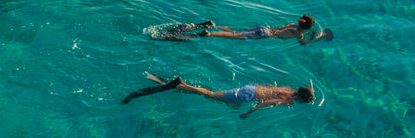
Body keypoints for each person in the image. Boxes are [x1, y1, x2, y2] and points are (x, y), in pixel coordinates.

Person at [123, 74, 315, 119]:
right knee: (210, 95)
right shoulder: (288, 100)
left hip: (250, 89)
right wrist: (249, 111)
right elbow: (268, 103)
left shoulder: (289, 89)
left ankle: (178, 86)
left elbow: (268, 90)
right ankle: (179, 84)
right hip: (247, 96)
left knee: (216, 97)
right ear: (300, 98)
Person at [198, 14, 317, 44]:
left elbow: (280, 28)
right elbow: (303, 43)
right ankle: (209, 34)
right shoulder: (298, 34)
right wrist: (313, 38)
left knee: (235, 32)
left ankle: (213, 26)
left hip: (264, 28)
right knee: (235, 36)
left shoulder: (292, 24)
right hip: (265, 35)